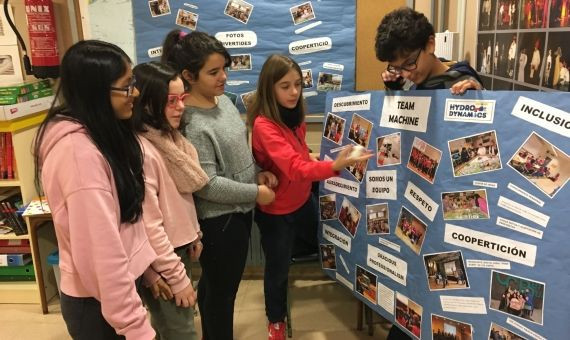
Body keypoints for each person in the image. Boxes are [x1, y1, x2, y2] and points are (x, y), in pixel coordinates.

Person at [33, 40, 156, 339]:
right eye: (126, 86)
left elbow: (127, 224)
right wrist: (137, 328)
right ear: (96, 93)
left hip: (116, 293)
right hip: (97, 305)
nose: (135, 94)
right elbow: (102, 254)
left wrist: (147, 269)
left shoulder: (104, 134)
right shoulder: (79, 155)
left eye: (134, 83)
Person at [161, 29, 277, 340]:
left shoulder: (223, 101)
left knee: (217, 289)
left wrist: (257, 173)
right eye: (213, 72)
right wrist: (256, 192)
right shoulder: (192, 123)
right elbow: (207, 185)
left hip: (239, 212)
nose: (223, 77)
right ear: (188, 75)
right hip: (218, 222)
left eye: (224, 68)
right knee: (221, 295)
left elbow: (238, 153)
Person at [247, 54, 372, 340]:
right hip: (276, 213)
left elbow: (298, 154)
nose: (293, 92)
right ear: (269, 88)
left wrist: (313, 157)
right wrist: (335, 165)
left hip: (302, 201)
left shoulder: (294, 116)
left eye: (297, 85)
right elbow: (294, 167)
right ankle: (275, 322)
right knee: (277, 271)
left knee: (328, 240)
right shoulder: (264, 125)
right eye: (285, 86)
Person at [132, 61, 210, 339]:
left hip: (176, 251)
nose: (180, 107)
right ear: (147, 103)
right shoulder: (144, 150)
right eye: (170, 101)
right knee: (181, 332)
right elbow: (149, 225)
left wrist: (194, 234)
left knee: (176, 327)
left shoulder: (171, 140)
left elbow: (180, 201)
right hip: (163, 258)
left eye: (182, 98)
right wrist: (174, 278)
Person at [376, 7, 483, 94]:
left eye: (409, 63)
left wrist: (479, 98)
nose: (406, 75)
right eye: (397, 68)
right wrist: (395, 87)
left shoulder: (462, 84)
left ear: (430, 45)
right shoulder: (411, 81)